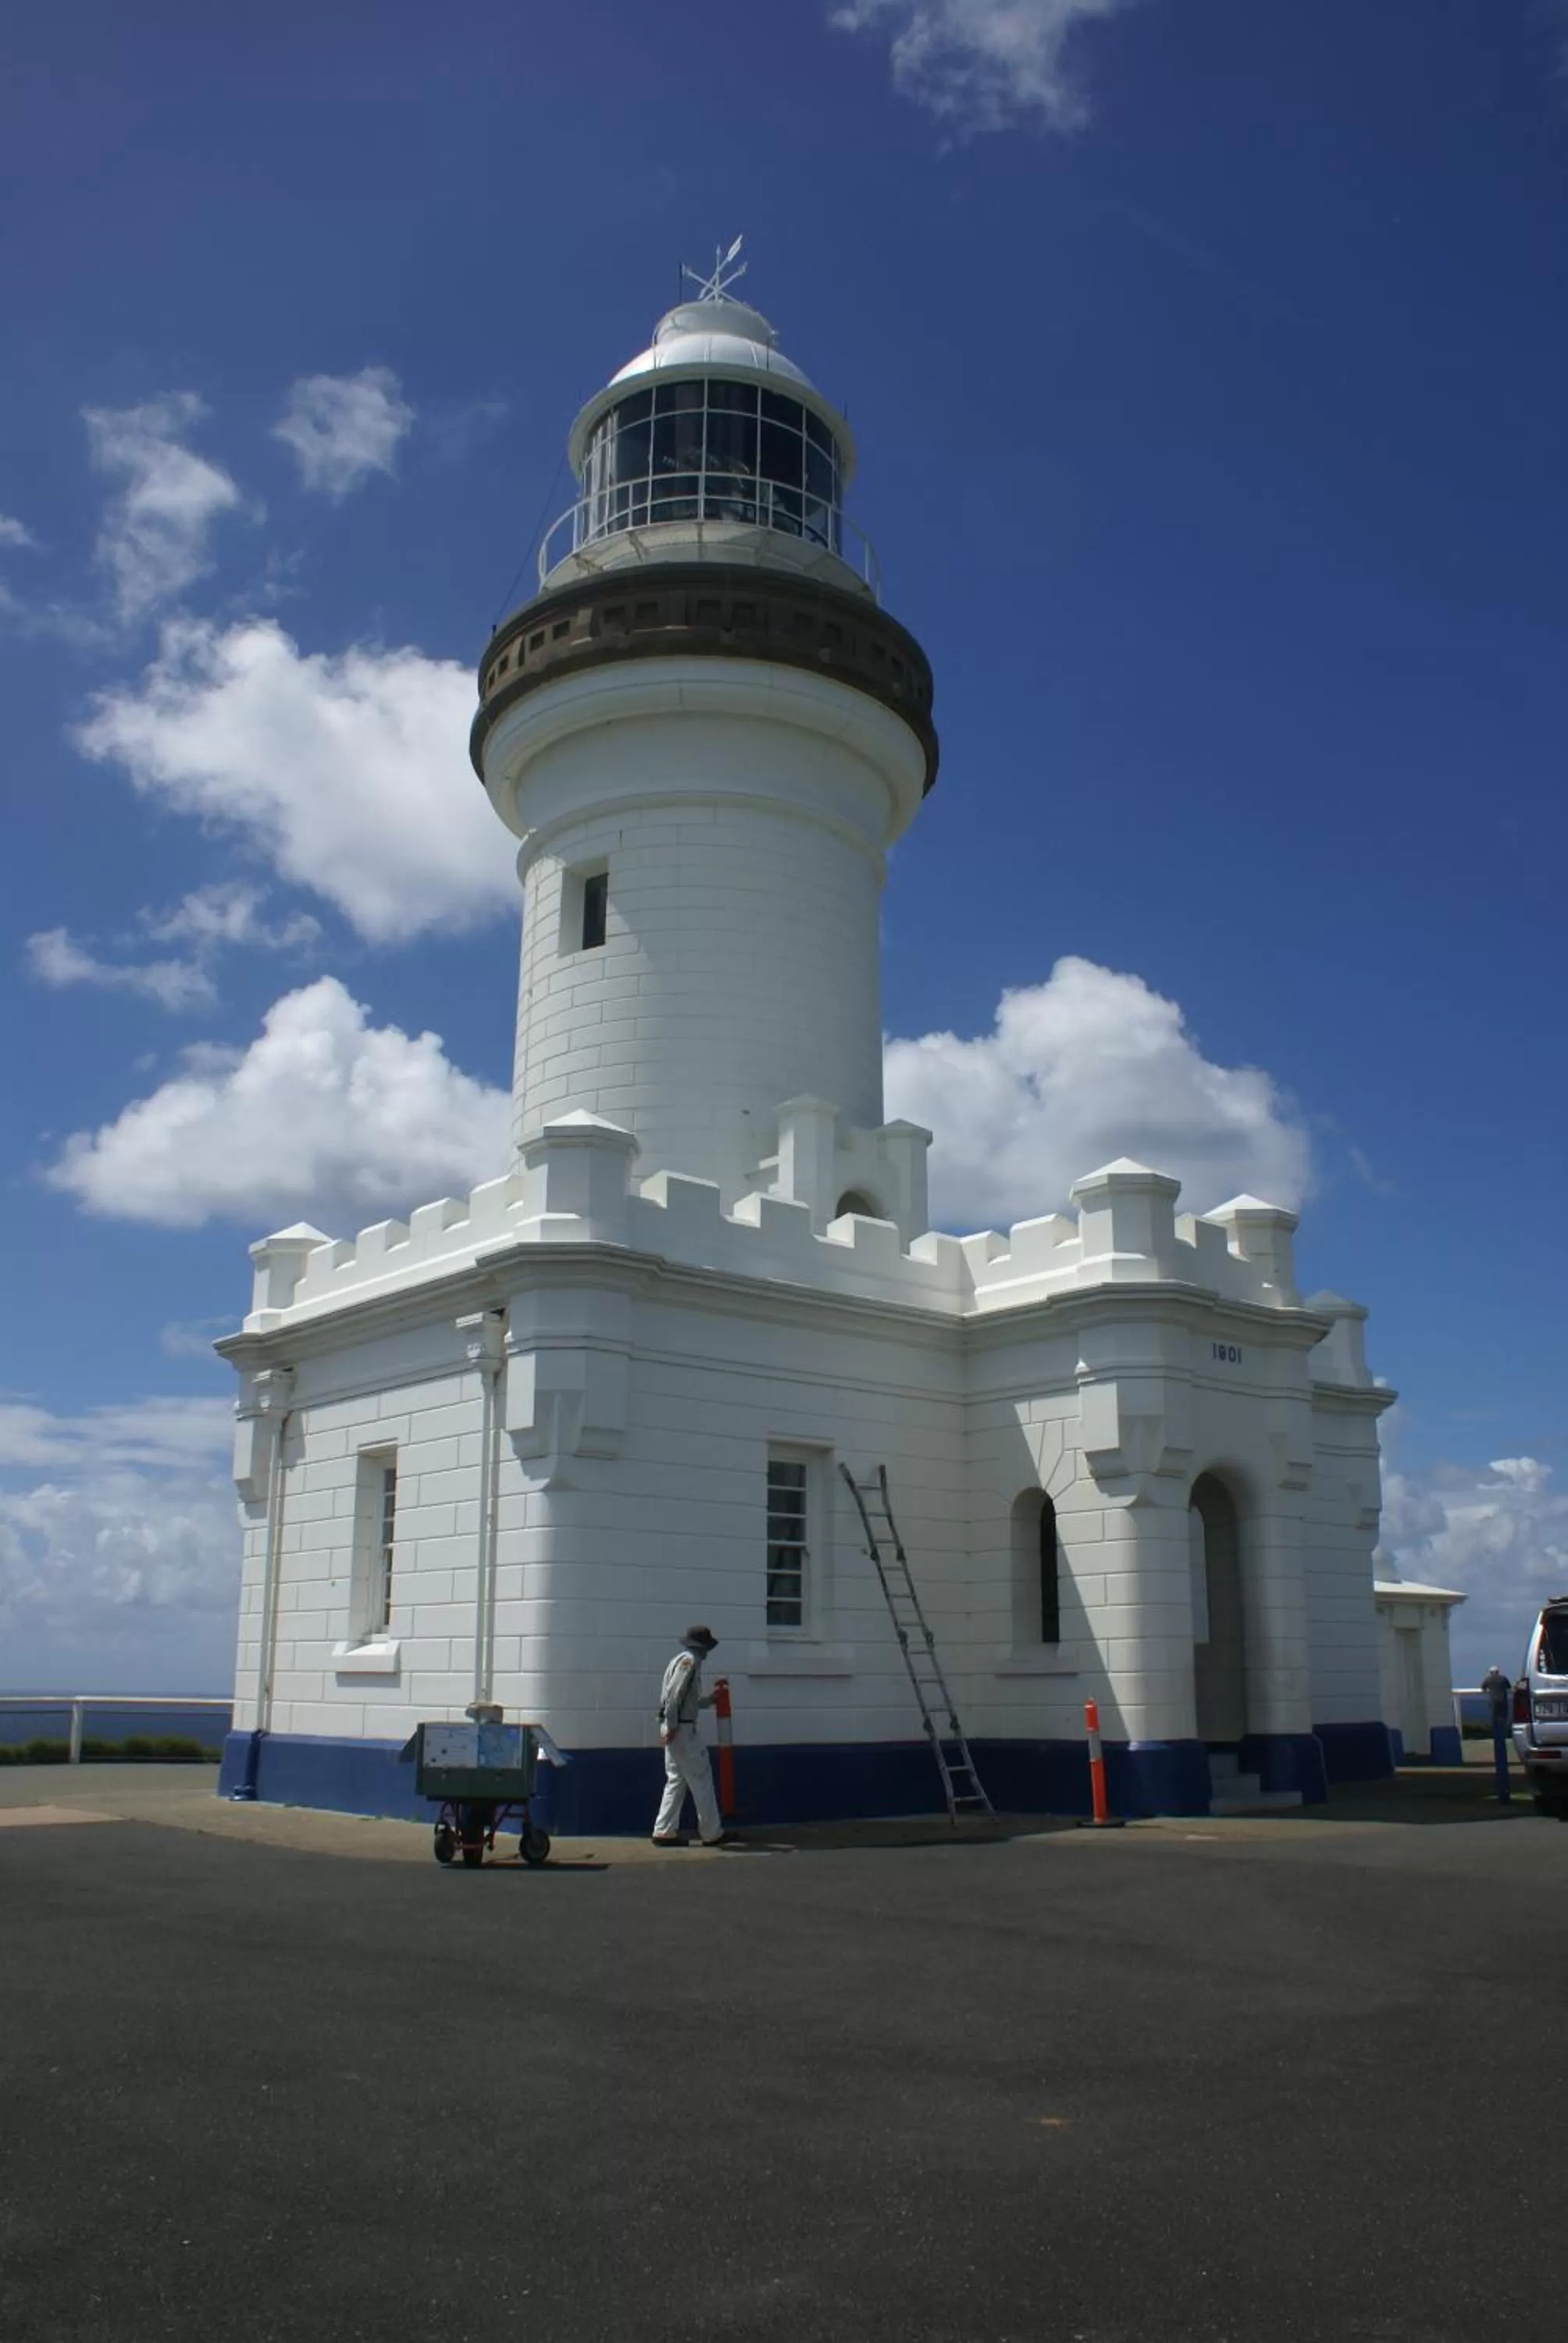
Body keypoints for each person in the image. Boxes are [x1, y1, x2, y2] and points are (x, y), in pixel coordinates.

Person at [652, 1626, 732, 1847]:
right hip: (683, 1730)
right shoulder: (690, 1662)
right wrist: (672, 1726)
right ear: (703, 1647)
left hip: (676, 1728)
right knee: (701, 1778)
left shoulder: (678, 1660)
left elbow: (684, 1700)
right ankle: (711, 1832)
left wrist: (708, 1700)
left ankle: (664, 1830)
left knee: (676, 1779)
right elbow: (674, 1696)